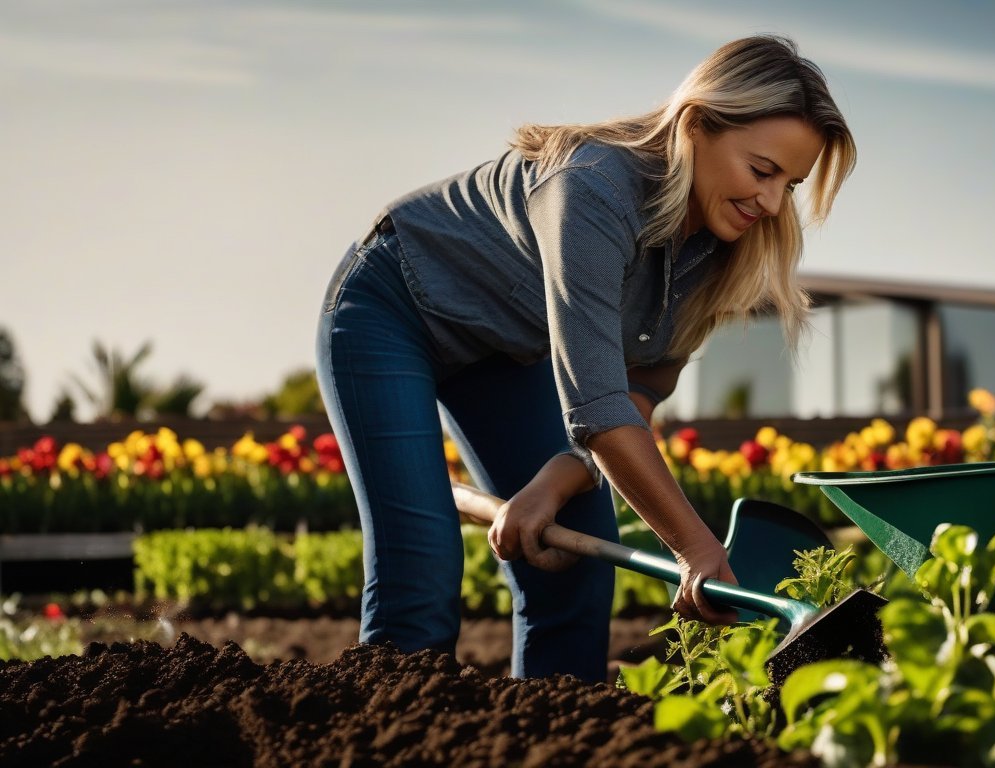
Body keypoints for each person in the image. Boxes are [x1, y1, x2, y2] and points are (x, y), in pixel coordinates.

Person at [315, 34, 856, 682]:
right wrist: (694, 548)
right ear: (696, 127)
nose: (771, 203)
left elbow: (634, 396)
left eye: (789, 185)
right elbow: (599, 414)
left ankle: (551, 742)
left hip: (505, 351)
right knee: (422, 570)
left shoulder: (717, 247)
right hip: (391, 307)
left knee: (577, 565)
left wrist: (548, 484)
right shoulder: (595, 189)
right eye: (761, 171)